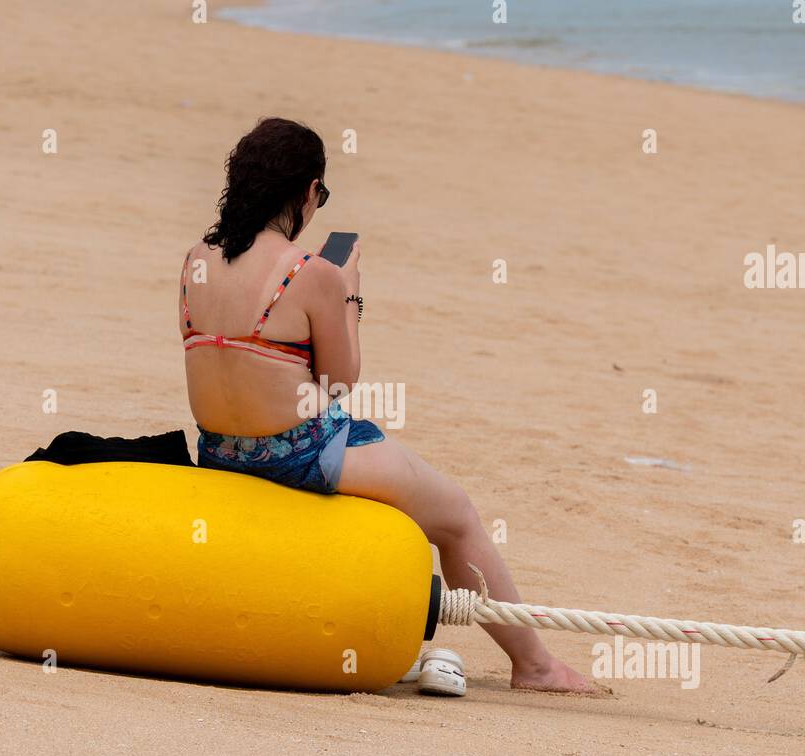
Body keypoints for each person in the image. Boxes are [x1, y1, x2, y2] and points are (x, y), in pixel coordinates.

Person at [180, 117, 595, 693]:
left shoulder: (196, 258)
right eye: (319, 194)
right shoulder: (310, 274)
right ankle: (536, 667)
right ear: (304, 192)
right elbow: (340, 378)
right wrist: (348, 289)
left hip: (220, 451)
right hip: (297, 455)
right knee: (456, 517)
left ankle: (536, 665)